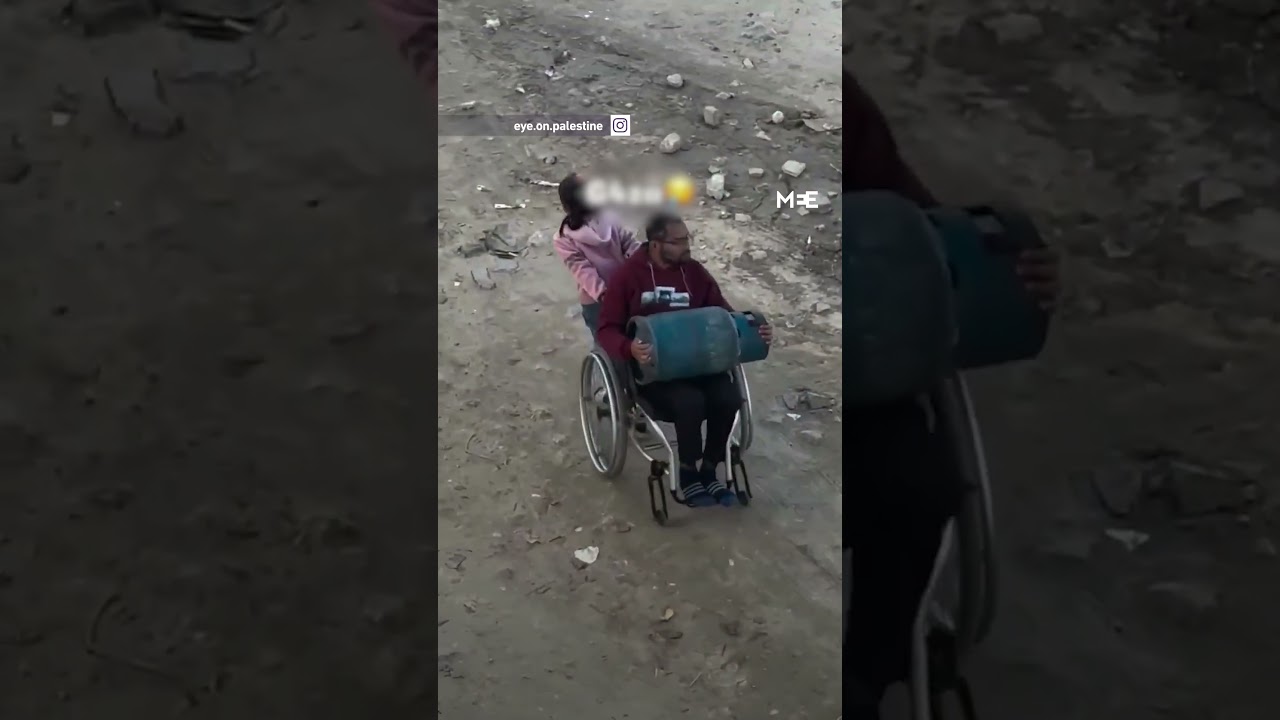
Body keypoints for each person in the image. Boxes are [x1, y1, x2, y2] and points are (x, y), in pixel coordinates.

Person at [843, 69, 1060, 720]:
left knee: (920, 486)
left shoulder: (837, 107)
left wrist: (1014, 272)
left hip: (850, 370)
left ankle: (862, 681)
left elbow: (921, 236)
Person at [596, 214, 773, 508]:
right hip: (656, 371)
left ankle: (710, 469)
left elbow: (724, 315)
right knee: (689, 402)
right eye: (678, 242)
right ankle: (688, 473)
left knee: (728, 397)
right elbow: (606, 329)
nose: (686, 247)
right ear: (655, 245)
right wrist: (630, 348)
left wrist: (753, 329)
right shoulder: (629, 277)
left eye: (687, 239)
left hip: (700, 360)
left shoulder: (694, 273)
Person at [552, 174, 640, 341]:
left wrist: (604, 293)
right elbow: (629, 244)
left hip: (600, 299)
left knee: (611, 344)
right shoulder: (610, 218)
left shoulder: (564, 238)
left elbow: (583, 271)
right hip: (615, 295)